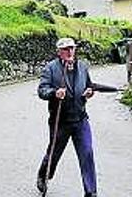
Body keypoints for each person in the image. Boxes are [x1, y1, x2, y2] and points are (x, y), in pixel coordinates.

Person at [36, 37, 98, 197]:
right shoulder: (51, 69)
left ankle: (90, 191)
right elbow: (42, 90)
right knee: (54, 154)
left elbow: (88, 86)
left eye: (72, 48)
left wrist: (89, 92)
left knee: (87, 153)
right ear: (59, 52)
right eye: (66, 49)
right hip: (60, 120)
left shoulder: (82, 67)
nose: (70, 52)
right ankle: (44, 175)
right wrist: (54, 93)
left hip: (80, 119)